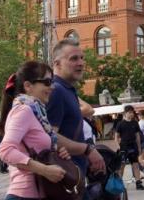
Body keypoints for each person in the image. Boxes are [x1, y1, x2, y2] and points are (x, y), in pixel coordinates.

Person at [0, 61, 70, 200]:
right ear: (28, 86)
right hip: (24, 194)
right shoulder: (23, 110)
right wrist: (45, 170)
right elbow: (5, 150)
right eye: (47, 82)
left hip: (38, 192)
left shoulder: (37, 113)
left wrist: (57, 154)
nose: (52, 87)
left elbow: (35, 150)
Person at [45, 38, 106, 183]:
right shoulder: (56, 90)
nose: (80, 63)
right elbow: (49, 137)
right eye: (73, 59)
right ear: (57, 64)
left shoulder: (67, 89)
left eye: (81, 58)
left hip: (74, 176)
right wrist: (88, 150)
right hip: (64, 180)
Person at [115, 105, 144, 190]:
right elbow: (116, 137)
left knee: (135, 165)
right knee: (122, 165)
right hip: (124, 147)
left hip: (133, 146)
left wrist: (139, 148)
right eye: (129, 112)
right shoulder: (120, 124)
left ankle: (138, 183)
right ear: (125, 113)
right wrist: (119, 147)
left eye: (132, 112)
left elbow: (137, 136)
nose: (131, 114)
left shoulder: (135, 123)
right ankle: (119, 183)